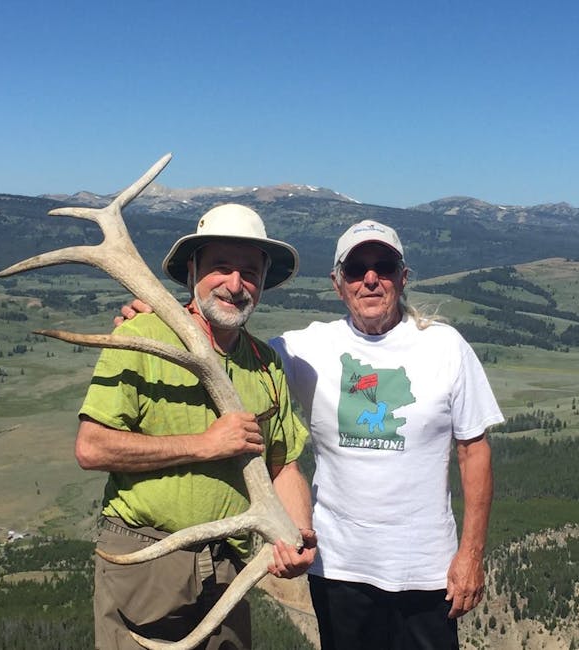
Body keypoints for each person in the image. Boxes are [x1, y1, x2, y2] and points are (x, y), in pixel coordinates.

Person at [119, 219, 502, 650]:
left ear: (403, 277)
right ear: (338, 283)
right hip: (338, 568)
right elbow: (227, 344)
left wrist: (470, 555)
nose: (370, 279)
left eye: (384, 266)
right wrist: (163, 317)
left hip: (428, 569)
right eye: (356, 269)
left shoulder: (447, 347)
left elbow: (475, 453)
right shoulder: (304, 348)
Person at [80, 203, 316, 650]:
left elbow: (283, 465)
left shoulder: (266, 365)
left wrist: (298, 535)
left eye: (250, 272)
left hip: (230, 566)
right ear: (192, 270)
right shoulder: (141, 336)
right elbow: (92, 447)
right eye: (220, 267)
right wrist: (205, 444)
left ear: (264, 281)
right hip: (149, 559)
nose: (235, 284)